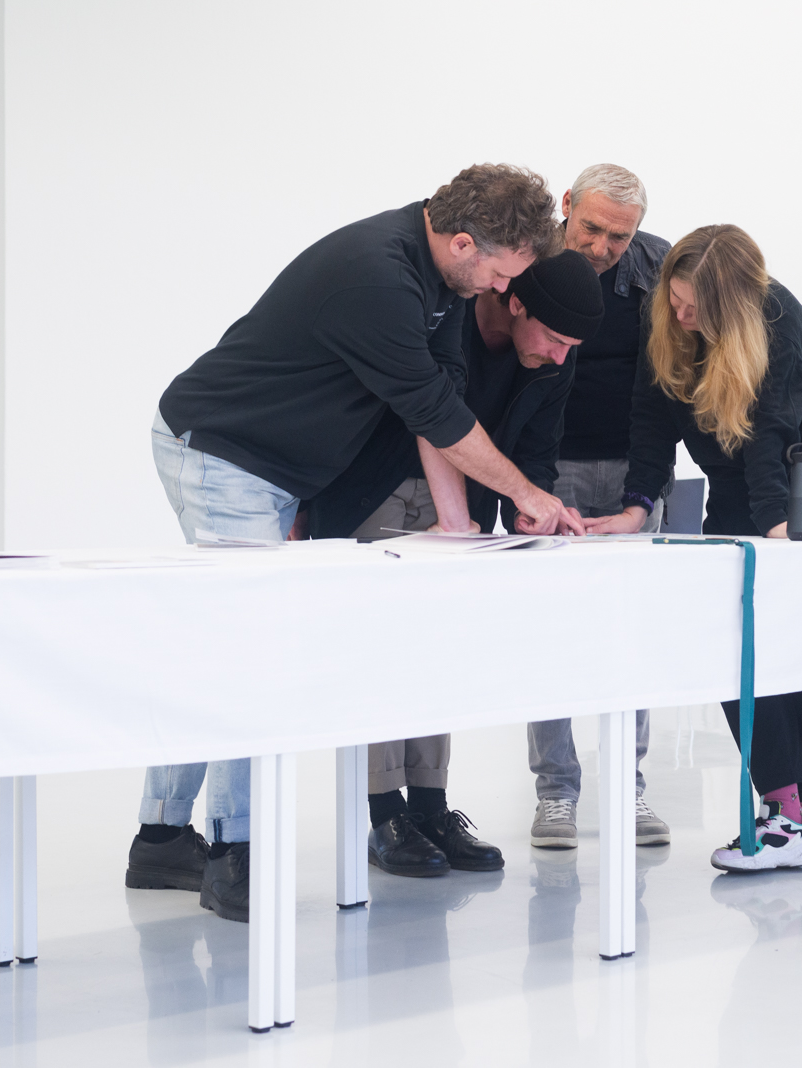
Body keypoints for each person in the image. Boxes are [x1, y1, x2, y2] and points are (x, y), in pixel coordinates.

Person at [125, 164, 572, 922]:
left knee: (218, 646)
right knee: (250, 653)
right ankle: (237, 855)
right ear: (465, 243)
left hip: (270, 468)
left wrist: (458, 527)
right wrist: (527, 495)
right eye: (502, 273)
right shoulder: (379, 278)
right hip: (224, 455)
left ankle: (162, 838)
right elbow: (435, 412)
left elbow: (440, 402)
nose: (503, 289)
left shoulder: (443, 279)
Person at [585, 225, 802, 872]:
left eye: (694, 307)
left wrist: (776, 529)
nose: (680, 315)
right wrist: (636, 505)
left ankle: (790, 818)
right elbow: (649, 416)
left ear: (730, 305)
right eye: (674, 300)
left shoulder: (776, 315)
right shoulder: (666, 318)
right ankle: (785, 809)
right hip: (740, 480)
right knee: (732, 638)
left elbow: (773, 429)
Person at [310, 249, 605, 877]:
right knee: (381, 649)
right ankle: (384, 814)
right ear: (515, 302)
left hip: (462, 505)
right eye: (554, 341)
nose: (560, 357)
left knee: (433, 649)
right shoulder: (448, 318)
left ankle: (430, 807)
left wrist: (532, 506)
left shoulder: (556, 355)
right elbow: (420, 413)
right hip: (376, 486)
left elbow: (539, 446)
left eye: (570, 347)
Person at [526, 164, 674, 851]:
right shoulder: (530, 258)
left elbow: (664, 393)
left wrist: (645, 493)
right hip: (545, 470)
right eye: (590, 229)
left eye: (620, 236)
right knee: (551, 633)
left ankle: (628, 787)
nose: (602, 247)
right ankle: (555, 792)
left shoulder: (659, 269)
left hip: (631, 474)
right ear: (566, 207)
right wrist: (524, 486)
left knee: (631, 633)